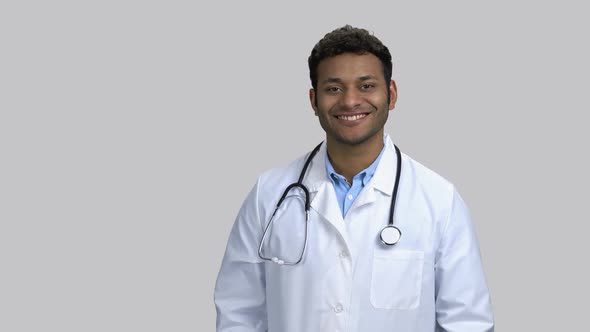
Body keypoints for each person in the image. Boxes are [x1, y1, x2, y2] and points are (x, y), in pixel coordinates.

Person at [214, 25, 494, 332]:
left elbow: (468, 324)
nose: (349, 101)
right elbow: (238, 312)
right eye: (333, 88)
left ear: (392, 94)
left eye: (366, 86)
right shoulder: (269, 195)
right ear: (313, 100)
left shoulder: (440, 201)